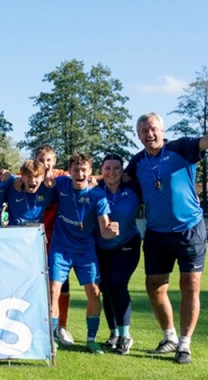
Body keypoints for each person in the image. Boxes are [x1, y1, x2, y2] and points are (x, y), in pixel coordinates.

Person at [125, 112, 208, 364]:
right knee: (154, 287)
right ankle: (169, 336)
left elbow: (204, 142)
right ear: (138, 135)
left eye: (152, 129)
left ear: (162, 130)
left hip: (189, 229)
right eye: (143, 131)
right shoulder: (137, 162)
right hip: (157, 233)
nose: (149, 134)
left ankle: (184, 344)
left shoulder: (181, 148)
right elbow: (114, 179)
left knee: (190, 286)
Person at [48, 153, 118, 354]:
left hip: (85, 250)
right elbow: (36, 182)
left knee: (94, 292)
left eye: (83, 170)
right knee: (54, 290)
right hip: (60, 248)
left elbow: (104, 230)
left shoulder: (98, 196)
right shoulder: (61, 184)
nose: (79, 173)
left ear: (89, 173)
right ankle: (53, 338)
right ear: (69, 171)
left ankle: (91, 339)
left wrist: (111, 231)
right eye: (75, 170)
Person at [96, 154, 141, 355]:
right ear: (102, 170)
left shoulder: (133, 189)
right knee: (105, 287)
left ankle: (125, 336)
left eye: (116, 168)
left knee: (116, 284)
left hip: (127, 245)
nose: (111, 172)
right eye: (107, 168)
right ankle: (113, 334)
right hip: (100, 247)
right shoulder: (95, 189)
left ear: (122, 171)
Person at [35, 145, 74, 346]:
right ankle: (37, 325)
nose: (45, 164)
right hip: (34, 241)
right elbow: (12, 179)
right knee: (35, 284)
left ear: (55, 161)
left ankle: (61, 327)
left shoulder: (64, 178)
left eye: (48, 160)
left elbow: (83, 176)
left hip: (60, 240)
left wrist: (95, 179)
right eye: (41, 160)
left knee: (61, 284)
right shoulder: (29, 177)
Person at [6, 160, 54, 226]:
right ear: (22, 176)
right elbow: (0, 177)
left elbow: (66, 178)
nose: (32, 180)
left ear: (42, 177)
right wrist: (5, 172)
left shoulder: (47, 189)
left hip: (36, 234)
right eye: (29, 176)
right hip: (15, 233)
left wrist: (50, 171)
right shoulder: (12, 186)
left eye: (36, 176)